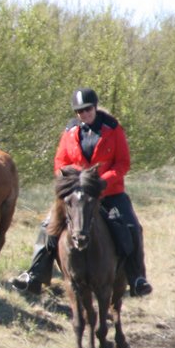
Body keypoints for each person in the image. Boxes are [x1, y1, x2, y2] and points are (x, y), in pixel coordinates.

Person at [10, 87, 152, 297]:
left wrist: (102, 182)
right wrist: (73, 180)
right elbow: (60, 162)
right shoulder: (70, 132)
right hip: (76, 195)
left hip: (109, 193)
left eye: (87, 109)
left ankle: (137, 278)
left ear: (95, 107)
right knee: (47, 226)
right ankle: (34, 275)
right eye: (79, 111)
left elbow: (123, 163)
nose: (84, 114)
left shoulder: (113, 129)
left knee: (132, 227)